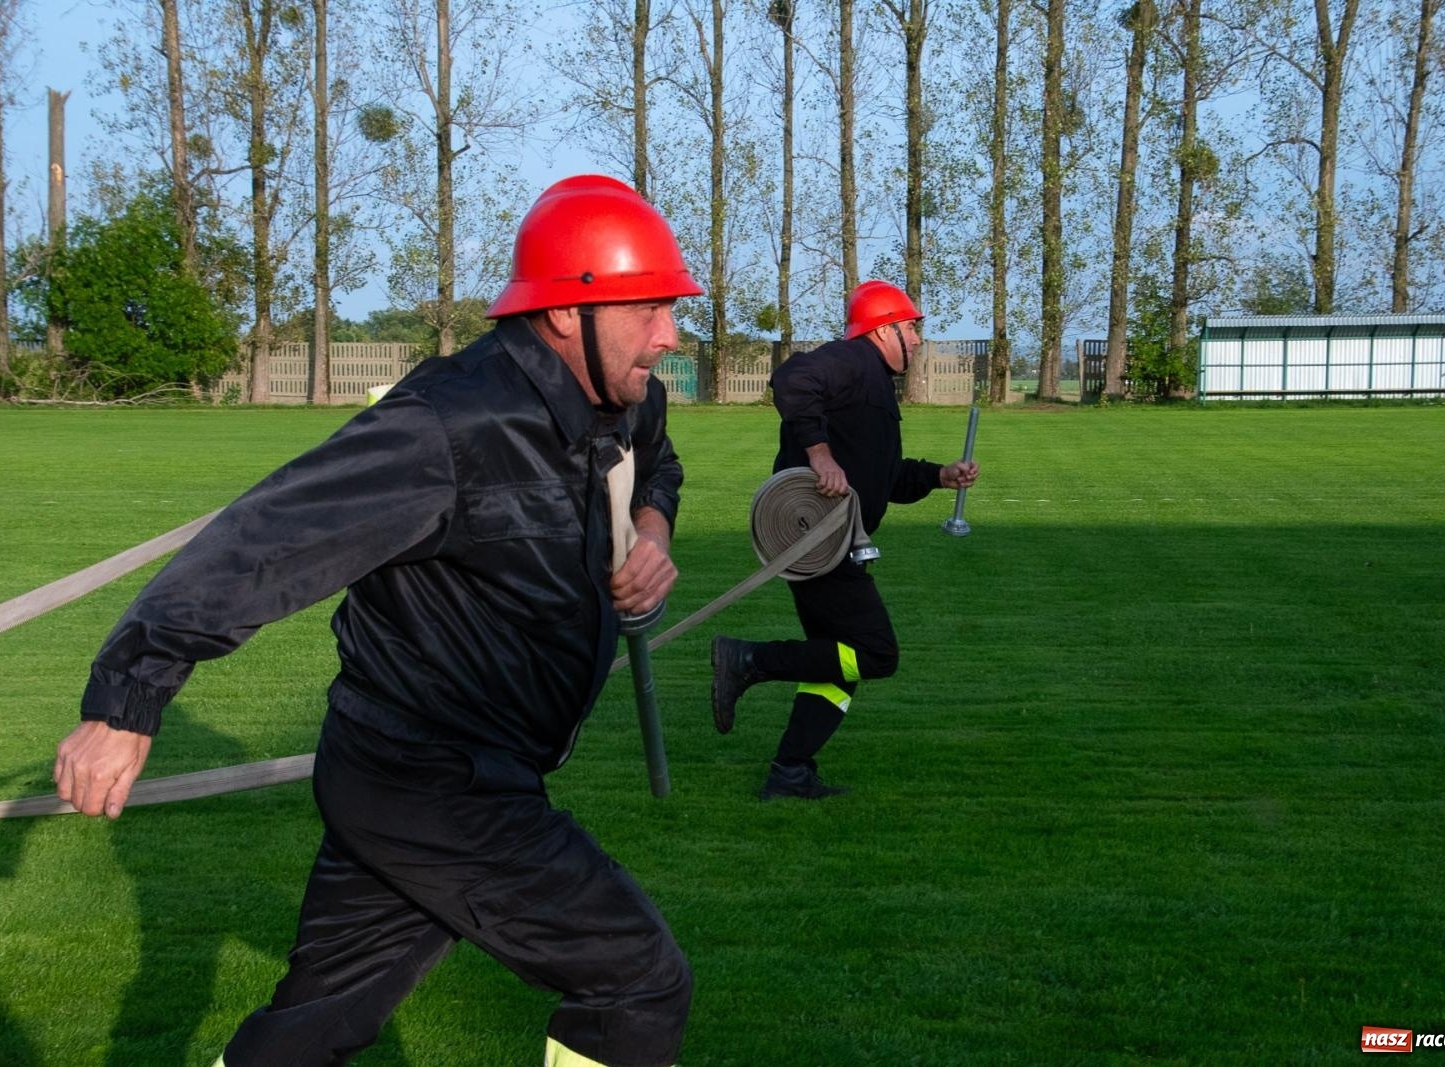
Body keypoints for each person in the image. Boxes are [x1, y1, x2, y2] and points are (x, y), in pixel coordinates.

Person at [52, 174, 701, 1067]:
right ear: (565, 311)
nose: (670, 334)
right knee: (636, 978)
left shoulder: (621, 397)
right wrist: (125, 701)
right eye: (648, 308)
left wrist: (652, 532)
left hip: (424, 773)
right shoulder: (449, 421)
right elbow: (263, 542)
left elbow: (657, 462)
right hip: (431, 779)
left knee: (314, 1027)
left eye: (671, 307)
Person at [709, 279, 979, 801]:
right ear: (883, 330)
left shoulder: (872, 381)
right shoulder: (853, 361)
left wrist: (939, 476)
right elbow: (791, 380)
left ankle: (790, 773)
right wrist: (819, 454)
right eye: (911, 328)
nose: (918, 340)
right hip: (818, 538)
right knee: (876, 654)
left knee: (838, 662)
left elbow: (880, 477)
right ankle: (748, 660)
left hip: (831, 538)